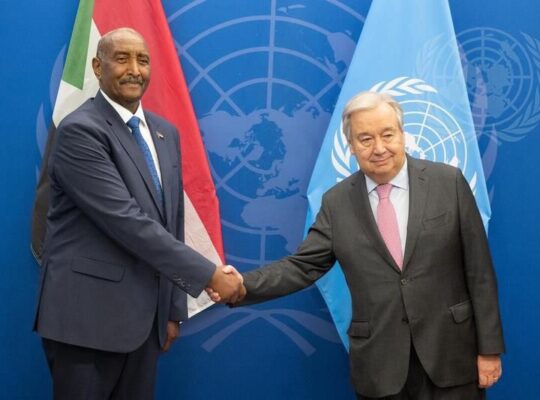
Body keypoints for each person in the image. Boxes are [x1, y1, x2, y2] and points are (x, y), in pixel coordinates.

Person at [211, 92, 505, 399]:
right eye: (365, 139)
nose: (379, 148)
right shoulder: (337, 203)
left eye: (387, 135)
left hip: (452, 356)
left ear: (402, 134)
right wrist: (242, 285)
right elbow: (301, 267)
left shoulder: (448, 183)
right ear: (350, 146)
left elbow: (480, 272)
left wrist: (489, 349)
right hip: (381, 367)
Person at [33, 28, 243, 400]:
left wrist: (172, 309)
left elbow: (171, 221)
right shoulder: (80, 130)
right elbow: (126, 221)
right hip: (86, 322)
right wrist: (210, 275)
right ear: (97, 67)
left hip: (144, 325)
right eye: (122, 58)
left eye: (143, 60)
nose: (134, 69)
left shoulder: (164, 133)